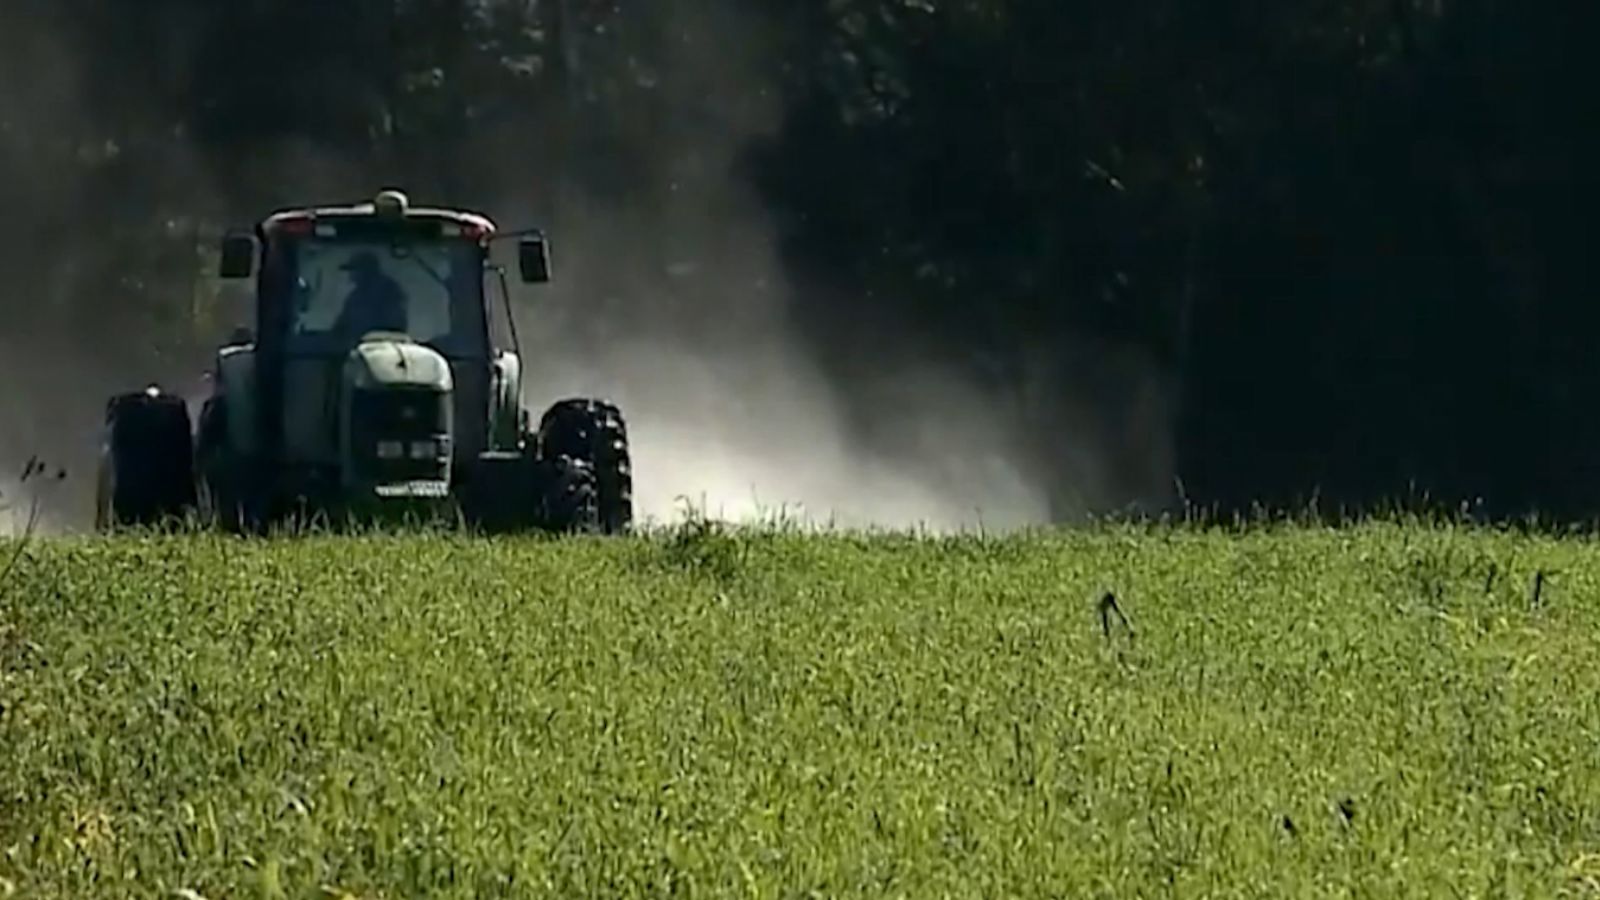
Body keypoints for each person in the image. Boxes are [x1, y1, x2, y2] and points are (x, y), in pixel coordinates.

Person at [334, 251, 408, 340]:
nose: (351, 275)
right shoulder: (356, 296)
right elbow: (341, 325)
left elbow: (395, 326)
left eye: (354, 270)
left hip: (381, 346)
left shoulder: (387, 291)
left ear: (365, 270)